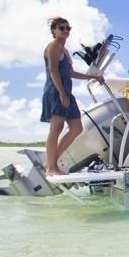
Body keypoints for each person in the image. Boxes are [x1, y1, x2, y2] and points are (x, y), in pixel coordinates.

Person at [41, 17, 103, 176]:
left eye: (68, 28)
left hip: (67, 92)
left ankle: (50, 162)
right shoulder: (53, 46)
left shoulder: (65, 51)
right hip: (56, 91)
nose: (66, 31)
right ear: (54, 31)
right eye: (62, 28)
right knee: (56, 128)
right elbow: (54, 71)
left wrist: (93, 77)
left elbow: (70, 73)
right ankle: (51, 168)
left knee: (76, 128)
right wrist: (61, 93)